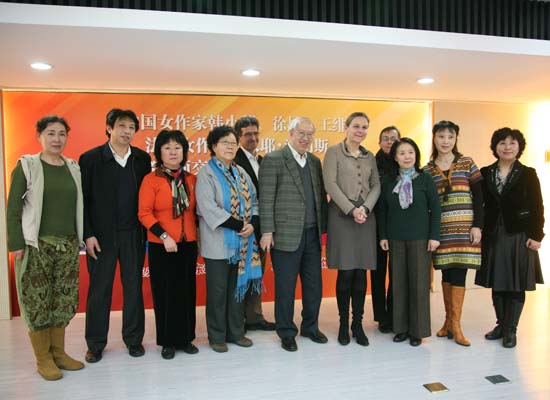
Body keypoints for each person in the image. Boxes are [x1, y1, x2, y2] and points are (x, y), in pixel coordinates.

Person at [7, 115, 84, 380]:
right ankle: (43, 359)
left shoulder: (72, 167)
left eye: (62, 134)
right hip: (36, 245)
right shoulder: (27, 165)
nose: (56, 139)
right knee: (37, 301)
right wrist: (16, 243)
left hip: (68, 246)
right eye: (50, 133)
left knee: (63, 300)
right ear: (39, 136)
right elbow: (13, 208)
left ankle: (59, 353)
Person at [79, 108, 151, 363]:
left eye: (131, 127)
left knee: (133, 289)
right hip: (101, 238)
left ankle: (134, 339)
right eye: (122, 126)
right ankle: (95, 344)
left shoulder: (141, 159)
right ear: (109, 128)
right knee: (99, 291)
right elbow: (82, 201)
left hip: (133, 235)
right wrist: (88, 234)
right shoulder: (90, 159)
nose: (127, 131)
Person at [259, 116, 328, 352]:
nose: (305, 138)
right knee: (285, 288)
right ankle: (286, 332)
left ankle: (310, 326)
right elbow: (266, 198)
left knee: (314, 286)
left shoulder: (314, 162)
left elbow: (320, 198)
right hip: (285, 235)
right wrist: (267, 230)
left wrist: (323, 231)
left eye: (310, 134)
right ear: (290, 133)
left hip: (312, 235)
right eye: (301, 133)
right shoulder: (274, 159)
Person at [475, 128, 544, 348]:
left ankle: (511, 330)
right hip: (493, 234)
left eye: (512, 143)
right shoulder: (486, 172)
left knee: (516, 283)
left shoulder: (528, 173)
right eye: (502, 143)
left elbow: (537, 206)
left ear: (519, 147)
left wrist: (537, 235)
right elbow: (479, 204)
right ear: (495, 147)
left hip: (519, 234)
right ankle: (501, 325)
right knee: (498, 282)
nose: (507, 147)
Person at [196, 125, 261, 353]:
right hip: (218, 244)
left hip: (243, 243)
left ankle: (236, 332)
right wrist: (239, 224)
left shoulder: (241, 172)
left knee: (237, 290)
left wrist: (253, 223)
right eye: (225, 142)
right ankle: (216, 336)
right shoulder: (206, 174)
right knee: (217, 292)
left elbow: (254, 201)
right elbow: (208, 208)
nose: (230, 147)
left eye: (233, 143)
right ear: (214, 146)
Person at [138, 130, 199, 359]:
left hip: (187, 243)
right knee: (165, 294)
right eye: (167, 148)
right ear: (159, 152)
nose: (173, 152)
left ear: (184, 152)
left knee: (187, 293)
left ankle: (186, 338)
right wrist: (164, 237)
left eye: (177, 148)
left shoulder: (191, 179)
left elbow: (196, 213)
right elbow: (144, 213)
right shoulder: (151, 180)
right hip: (162, 245)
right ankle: (167, 342)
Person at [423, 120, 483, 347]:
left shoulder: (467, 163)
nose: (445, 141)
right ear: (434, 138)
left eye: (450, 136)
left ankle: (456, 325)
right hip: (441, 231)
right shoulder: (428, 170)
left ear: (456, 139)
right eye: (441, 136)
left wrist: (478, 225)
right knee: (446, 275)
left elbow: (480, 197)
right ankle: (448, 322)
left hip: (465, 229)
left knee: (459, 273)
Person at [323, 112, 380, 346]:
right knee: (346, 272)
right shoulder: (333, 152)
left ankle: (358, 324)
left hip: (365, 219)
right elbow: (330, 184)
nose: (360, 131)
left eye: (364, 127)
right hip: (341, 217)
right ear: (346, 127)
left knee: (360, 273)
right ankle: (343, 324)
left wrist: (365, 208)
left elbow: (376, 185)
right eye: (356, 126)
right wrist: (351, 209)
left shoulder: (370, 156)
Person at [378, 137, 441, 347]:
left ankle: (418, 331)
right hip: (395, 238)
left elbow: (436, 209)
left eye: (411, 152)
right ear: (395, 158)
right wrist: (383, 235)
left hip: (420, 239)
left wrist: (434, 236)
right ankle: (401, 328)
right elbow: (382, 210)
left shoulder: (425, 179)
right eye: (402, 153)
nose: (407, 156)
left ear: (416, 155)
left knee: (419, 285)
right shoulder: (389, 181)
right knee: (398, 284)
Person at [233, 116, 276, 331]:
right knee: (241, 274)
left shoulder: (262, 160)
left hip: (262, 228)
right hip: (242, 229)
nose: (253, 137)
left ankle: (254, 317)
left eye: (255, 133)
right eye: (247, 134)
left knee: (257, 272)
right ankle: (237, 320)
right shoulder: (233, 160)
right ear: (238, 137)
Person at [371, 126, 401, 334]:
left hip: (398, 224)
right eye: (385, 138)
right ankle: (381, 316)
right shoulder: (372, 163)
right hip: (375, 224)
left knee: (397, 271)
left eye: (393, 138)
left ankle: (395, 313)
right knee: (378, 272)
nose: (389, 142)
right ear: (379, 142)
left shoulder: (405, 162)